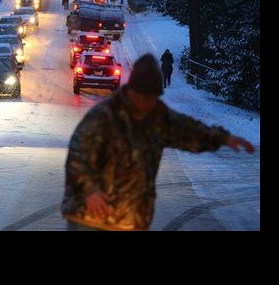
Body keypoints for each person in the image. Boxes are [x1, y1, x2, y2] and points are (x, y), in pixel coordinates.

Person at [61, 53, 254, 231]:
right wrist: (90, 191)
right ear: (132, 91)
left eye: (154, 97)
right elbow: (78, 157)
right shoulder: (104, 117)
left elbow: (188, 130)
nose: (150, 102)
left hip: (129, 218)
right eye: (146, 97)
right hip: (91, 215)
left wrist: (223, 138)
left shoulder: (157, 117)